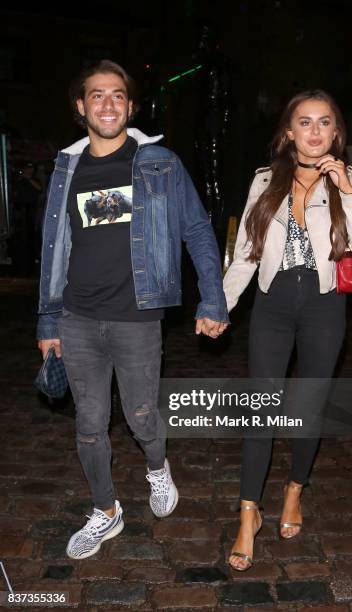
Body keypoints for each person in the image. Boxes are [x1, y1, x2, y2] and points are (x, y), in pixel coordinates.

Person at [37, 59, 228, 560]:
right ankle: (106, 511)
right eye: (96, 95)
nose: (107, 103)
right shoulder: (66, 168)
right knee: (89, 424)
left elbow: (197, 230)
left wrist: (212, 297)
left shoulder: (159, 161)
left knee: (142, 418)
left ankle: (156, 466)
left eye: (117, 95)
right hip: (77, 318)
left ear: (130, 105)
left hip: (137, 317)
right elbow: (53, 246)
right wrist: (48, 317)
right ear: (81, 107)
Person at [223, 90, 352, 571]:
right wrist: (221, 304)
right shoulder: (266, 181)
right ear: (289, 132)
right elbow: (246, 249)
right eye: (304, 122)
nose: (314, 132)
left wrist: (347, 193)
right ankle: (249, 514)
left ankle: (294, 491)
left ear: (336, 132)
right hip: (271, 306)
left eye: (324, 122)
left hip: (324, 306)